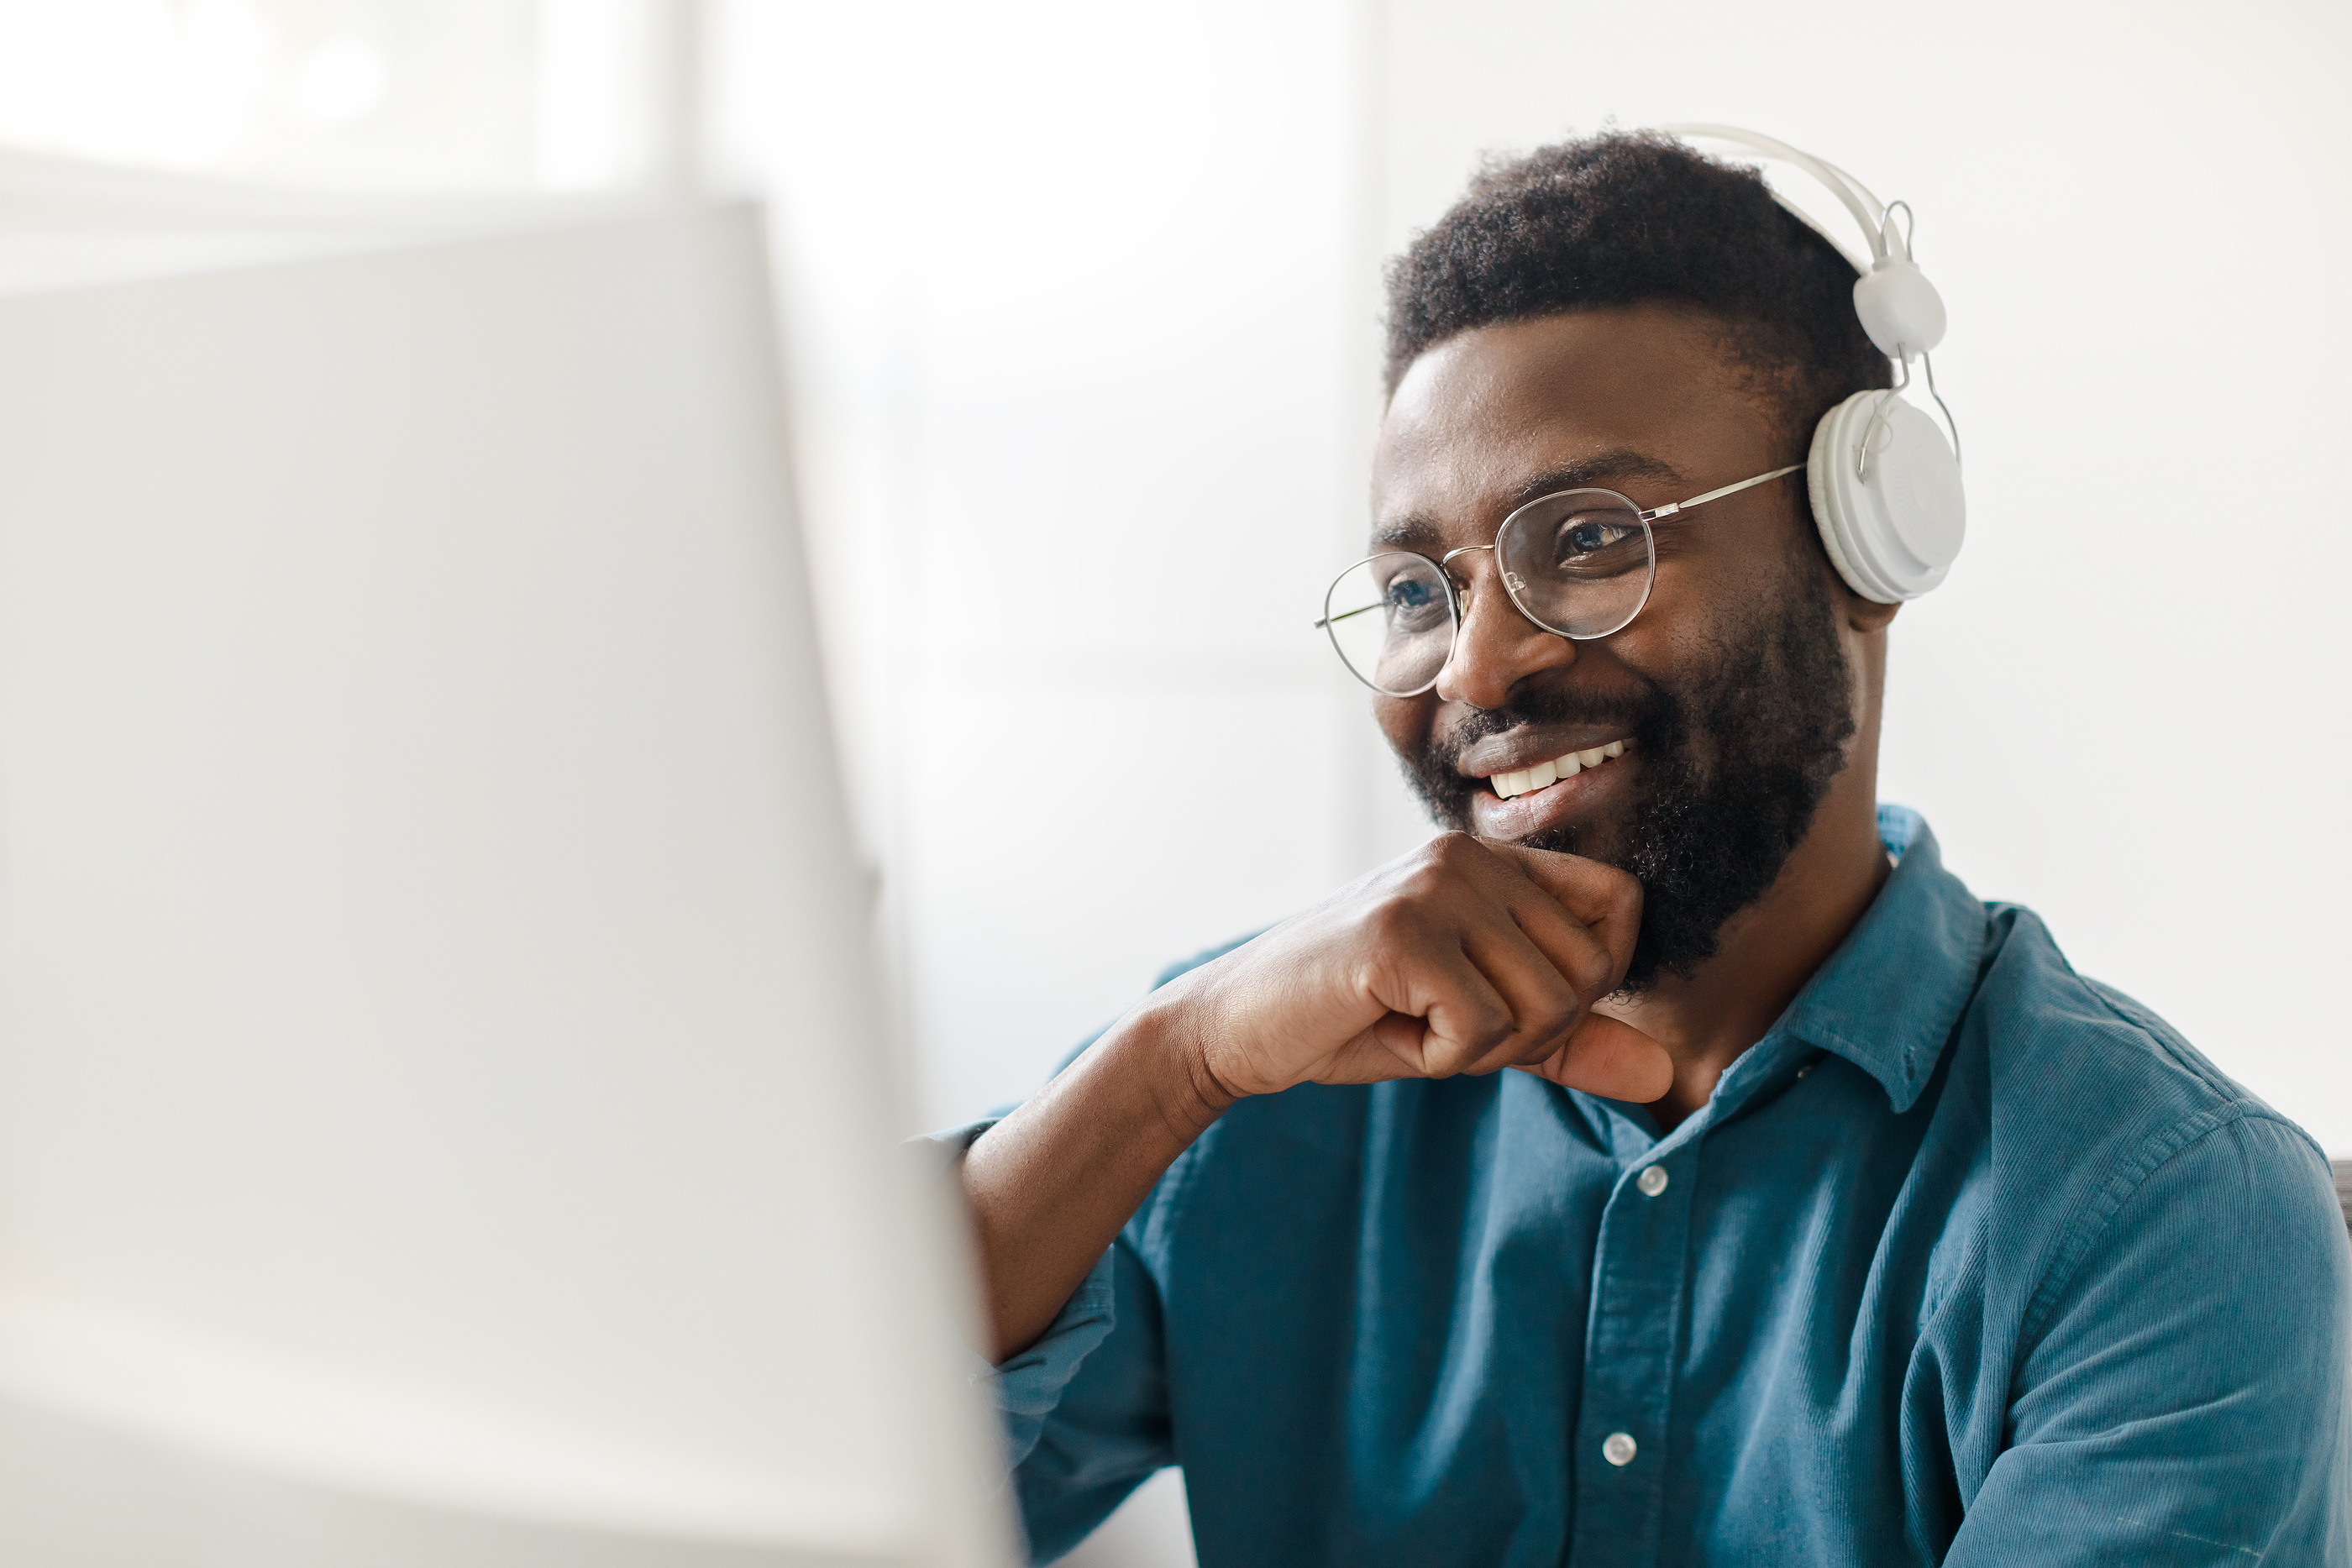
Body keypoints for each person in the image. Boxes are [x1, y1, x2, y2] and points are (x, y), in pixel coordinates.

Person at [941, 132, 2352, 1565]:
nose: (1478, 671)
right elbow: (803, 1484)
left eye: (1593, 541)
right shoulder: (1253, 1084)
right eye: (1418, 589)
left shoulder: (2165, 1215)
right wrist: (1168, 1066)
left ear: (1862, 547)